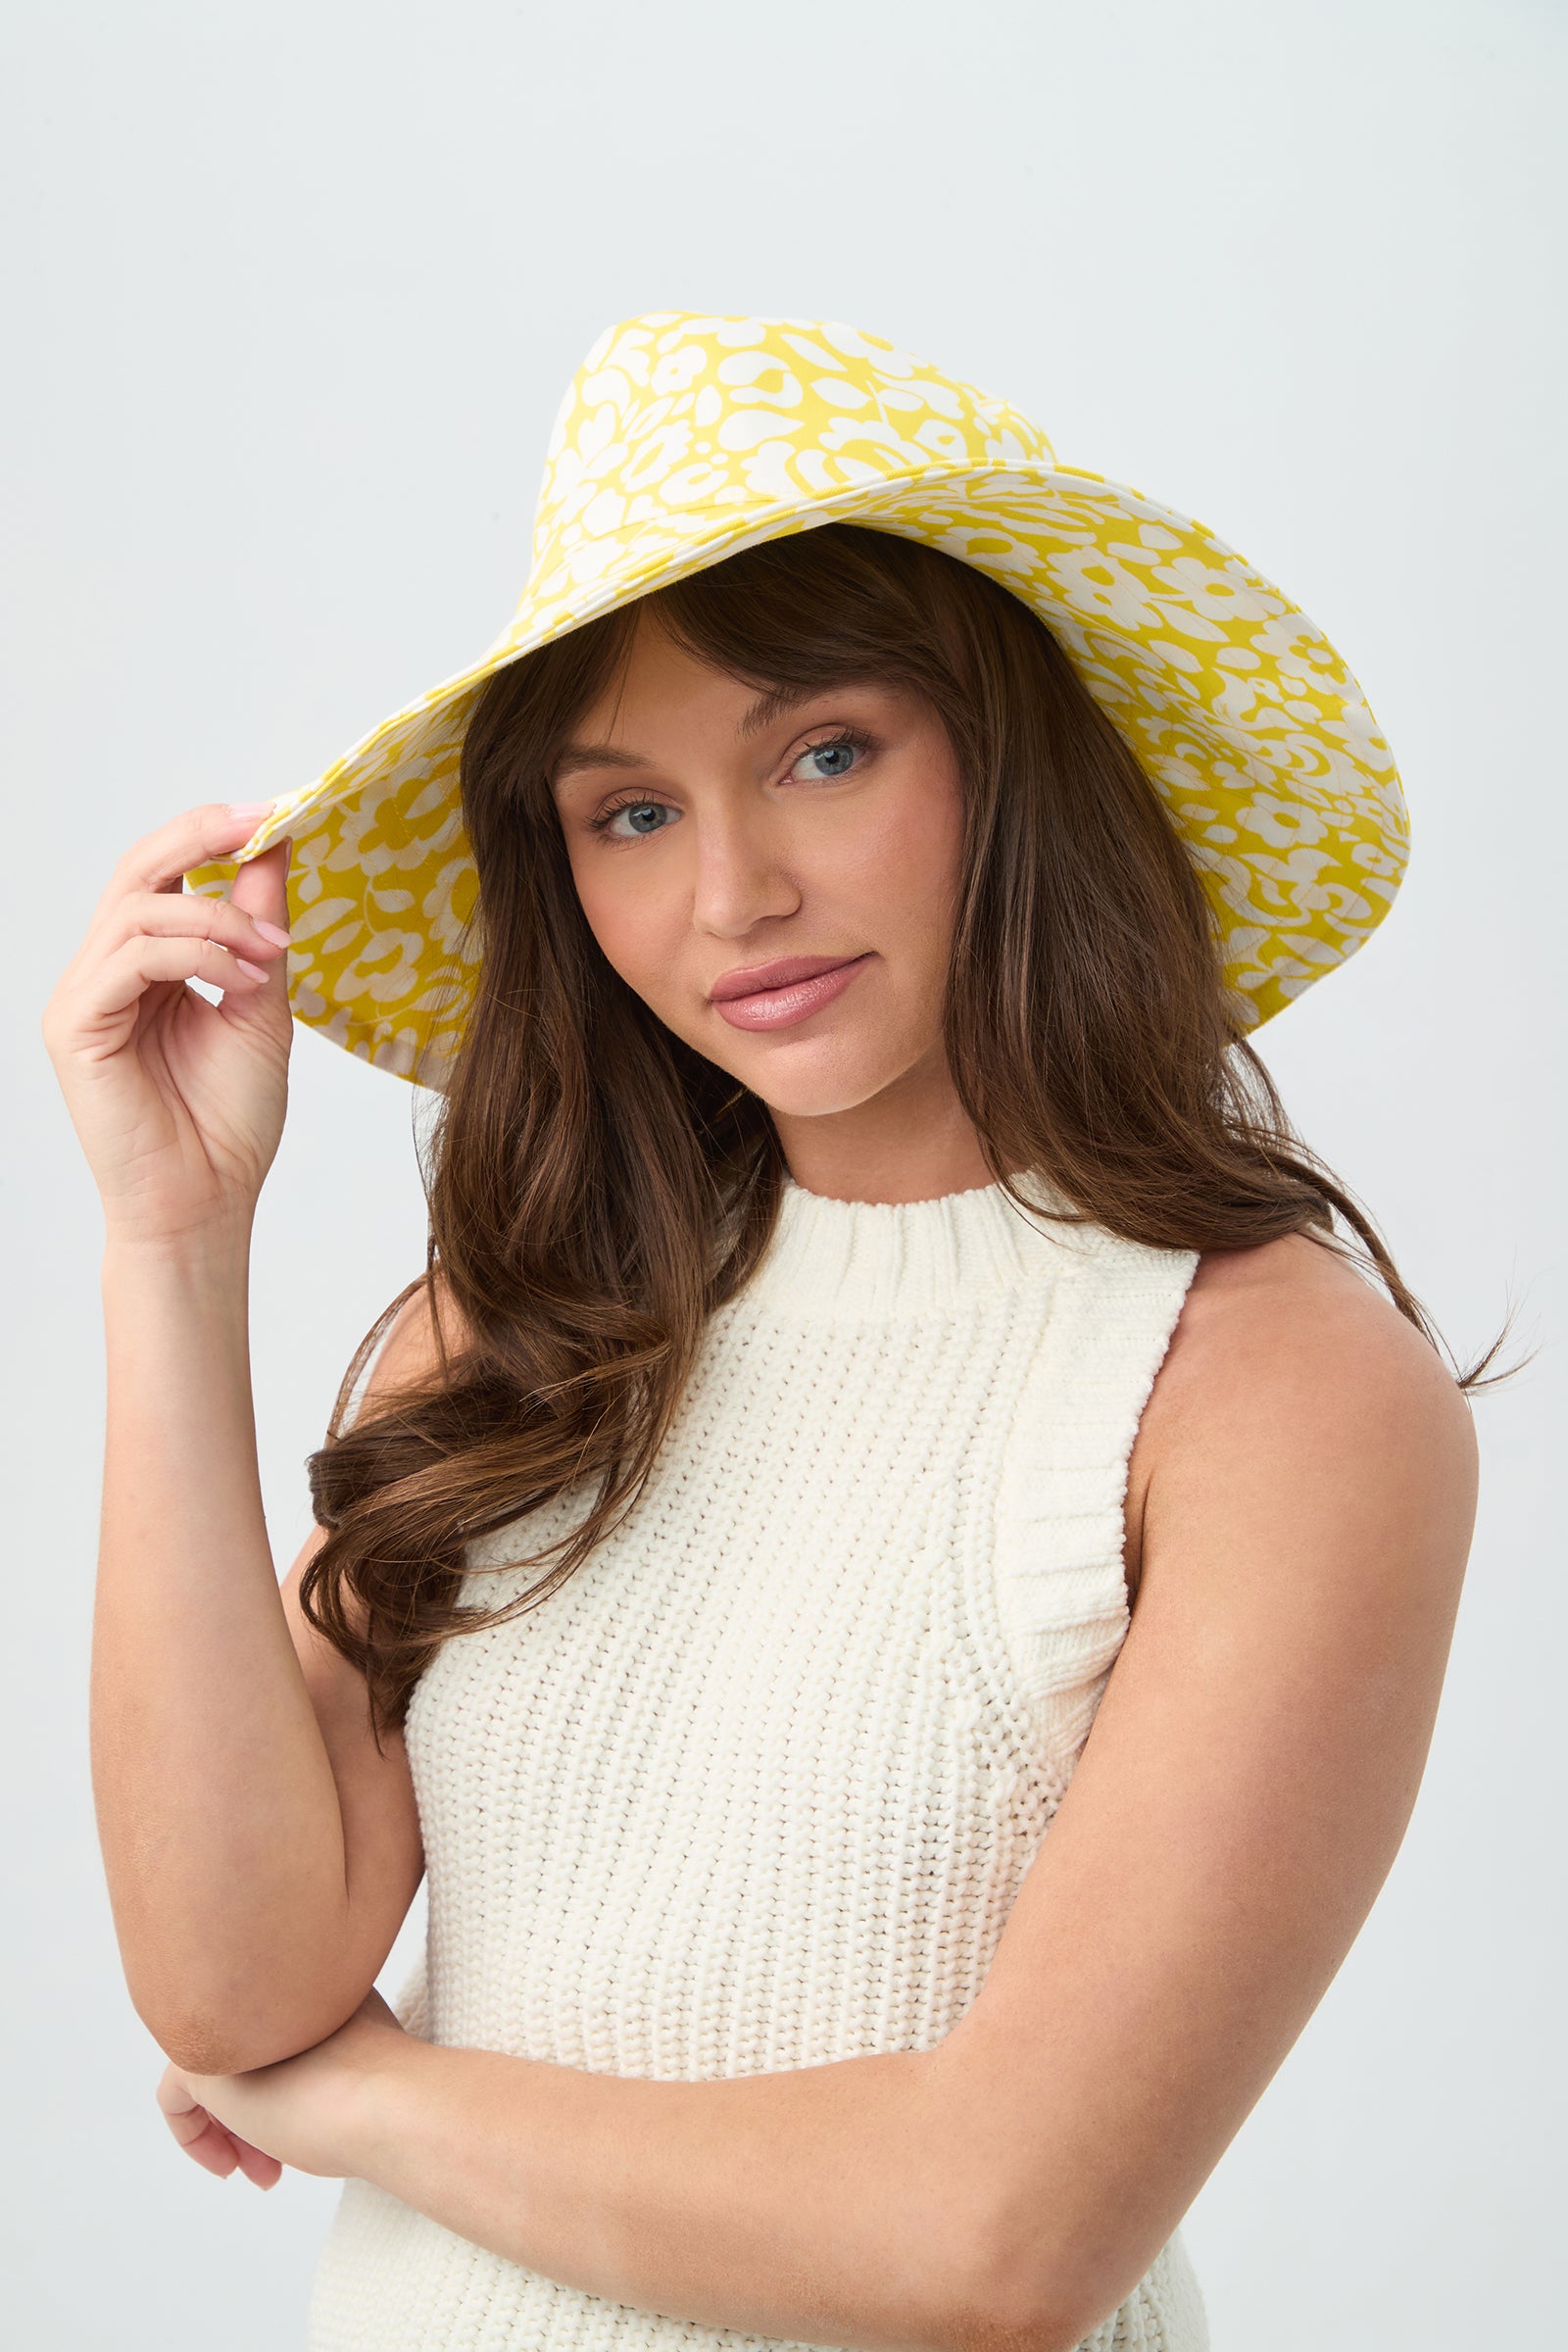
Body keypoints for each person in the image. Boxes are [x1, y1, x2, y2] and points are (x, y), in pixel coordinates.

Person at [43, 314, 1485, 2352]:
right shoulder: (522, 1336)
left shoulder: (1267, 1393)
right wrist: (172, 1245)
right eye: (625, 812)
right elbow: (226, 1977)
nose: (732, 895)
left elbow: (987, 2242)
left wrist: (365, 2094)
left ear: (1012, 759)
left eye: (822, 754)